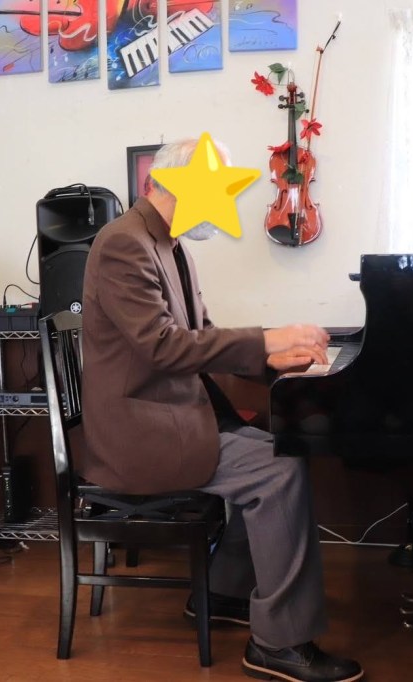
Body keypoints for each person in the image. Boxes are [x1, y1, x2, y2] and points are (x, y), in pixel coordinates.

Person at [80, 137, 364, 682]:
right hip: (138, 433)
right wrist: (267, 338)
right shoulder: (123, 244)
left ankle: (223, 592)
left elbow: (201, 336)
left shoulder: (170, 245)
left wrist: (272, 360)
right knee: (278, 470)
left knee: (278, 451)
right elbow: (163, 346)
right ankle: (279, 644)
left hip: (171, 414)